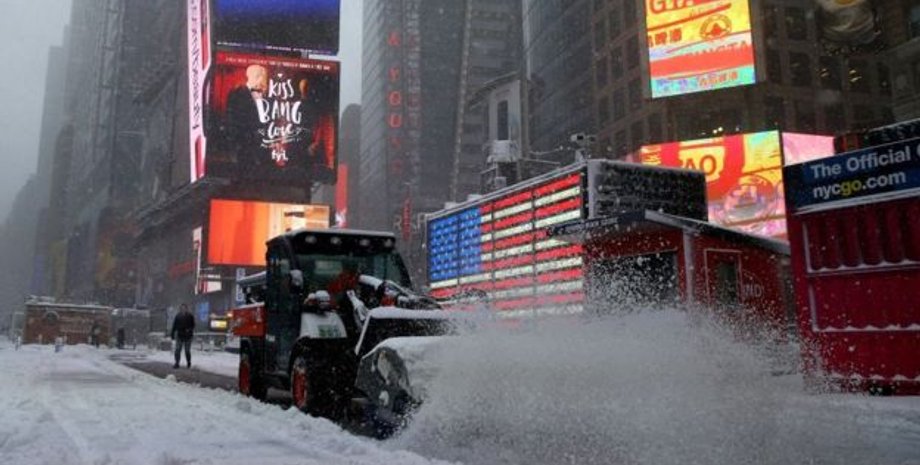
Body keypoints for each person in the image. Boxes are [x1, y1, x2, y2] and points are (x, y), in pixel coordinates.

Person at [171, 304, 196, 369]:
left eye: (184, 308)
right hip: (180, 335)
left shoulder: (190, 316)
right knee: (177, 350)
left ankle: (188, 362)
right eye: (182, 308)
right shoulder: (178, 316)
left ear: (186, 309)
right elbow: (174, 325)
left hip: (188, 336)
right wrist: (172, 333)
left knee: (187, 351)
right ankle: (177, 363)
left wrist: (189, 330)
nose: (183, 309)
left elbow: (193, 325)